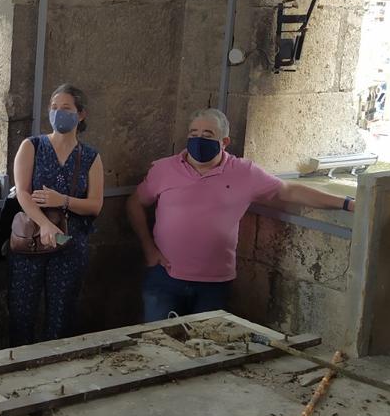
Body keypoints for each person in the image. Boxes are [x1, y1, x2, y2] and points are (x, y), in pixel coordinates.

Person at [128, 108, 355, 322]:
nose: (199, 140)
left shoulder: (244, 172)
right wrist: (149, 249)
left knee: (207, 348)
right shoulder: (164, 169)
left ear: (224, 142)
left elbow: (288, 191)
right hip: (165, 277)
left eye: (208, 134)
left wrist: (345, 203)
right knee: (158, 345)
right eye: (193, 133)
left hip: (214, 282)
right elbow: (135, 203)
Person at [9, 84, 104, 345]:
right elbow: (23, 193)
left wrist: (62, 200)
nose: (58, 113)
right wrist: (44, 224)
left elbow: (95, 205)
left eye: (65, 108)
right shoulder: (33, 146)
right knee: (21, 313)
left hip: (71, 244)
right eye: (53, 108)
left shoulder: (90, 157)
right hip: (31, 240)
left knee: (62, 317)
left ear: (80, 114)